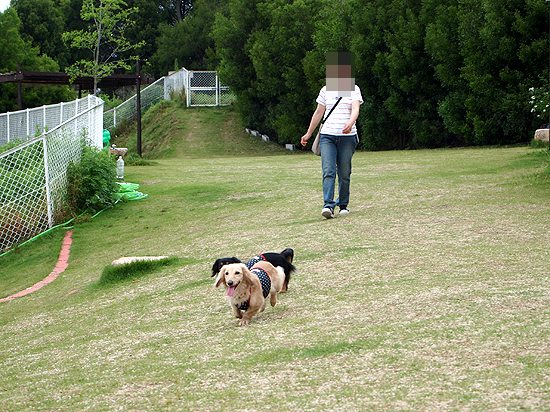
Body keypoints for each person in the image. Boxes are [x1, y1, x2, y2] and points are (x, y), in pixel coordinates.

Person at [300, 52, 363, 219]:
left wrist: (350, 123)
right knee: (328, 170)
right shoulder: (325, 90)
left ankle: (343, 204)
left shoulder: (354, 89)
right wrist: (308, 133)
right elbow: (319, 112)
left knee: (344, 172)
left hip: (347, 137)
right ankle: (328, 205)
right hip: (327, 135)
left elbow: (356, 108)